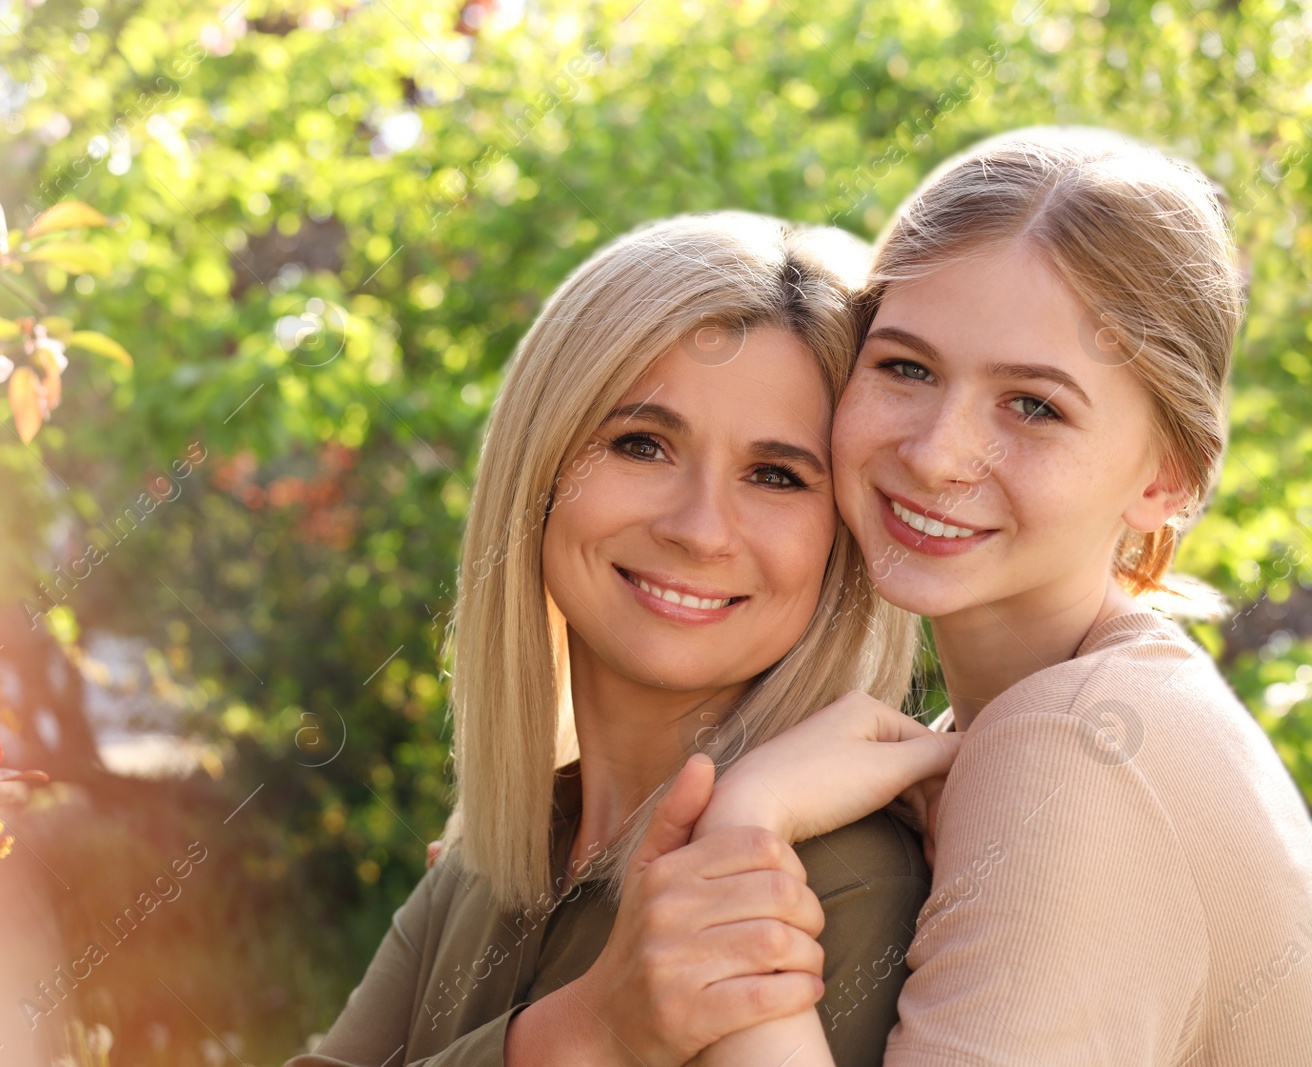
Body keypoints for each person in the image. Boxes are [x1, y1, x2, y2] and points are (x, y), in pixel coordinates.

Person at [284, 212, 960, 1067]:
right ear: (539, 467)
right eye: (642, 444)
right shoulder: (492, 860)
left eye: (776, 475)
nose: (700, 528)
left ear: (845, 536)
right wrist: (583, 1033)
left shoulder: (837, 883)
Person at [701, 127, 1312, 1066]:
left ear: (1166, 477)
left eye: (1034, 405)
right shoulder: (1048, 716)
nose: (938, 452)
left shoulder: (1081, 747)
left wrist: (738, 840)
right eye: (906, 366)